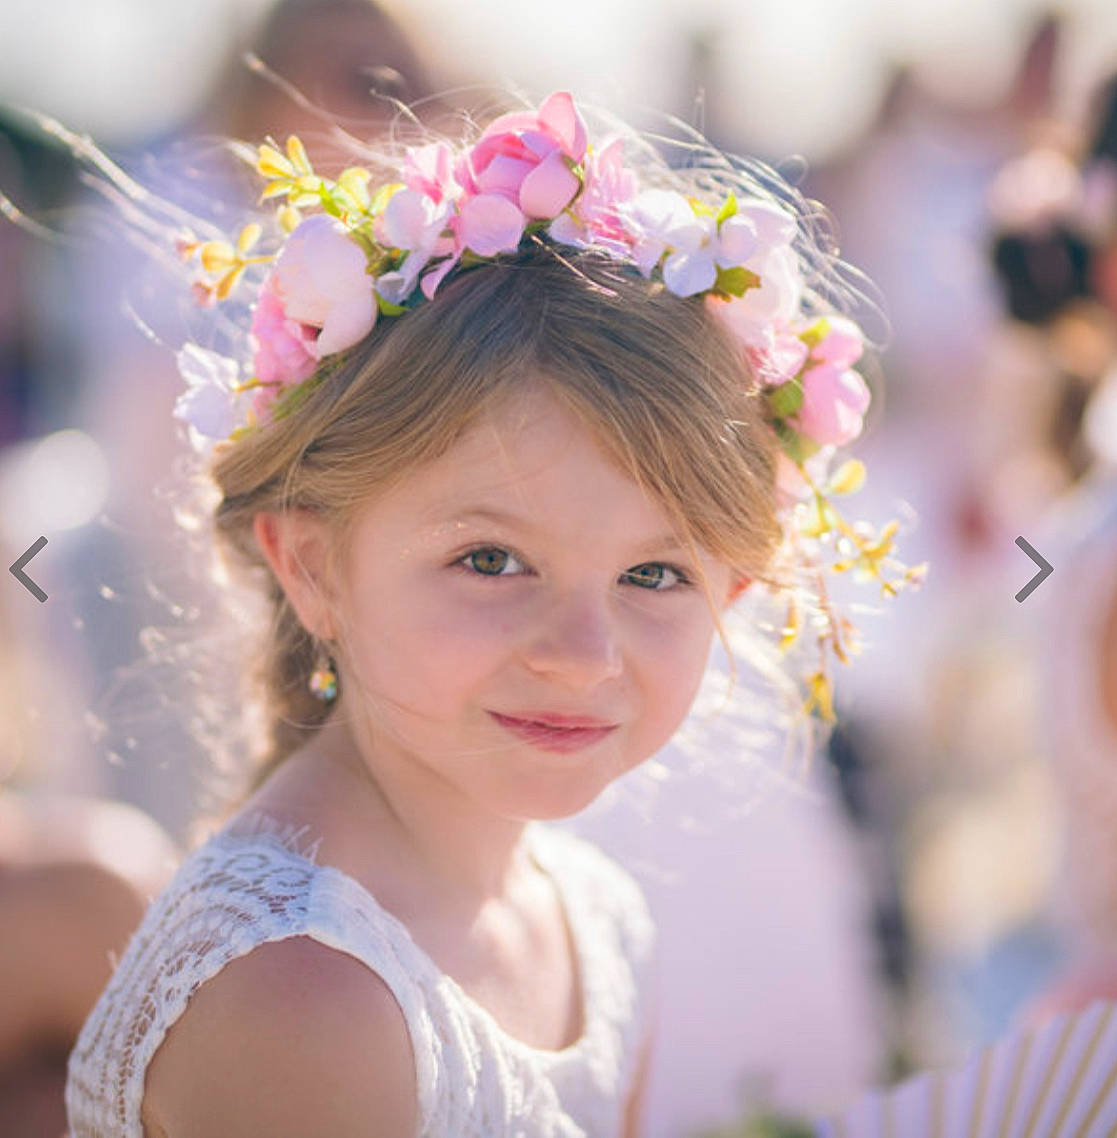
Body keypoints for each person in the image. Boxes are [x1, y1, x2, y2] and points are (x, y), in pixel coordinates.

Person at [59, 90, 919, 1136]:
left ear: (733, 587)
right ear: (313, 564)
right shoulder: (305, 1002)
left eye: (653, 575)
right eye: (492, 559)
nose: (581, 655)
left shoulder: (593, 917)